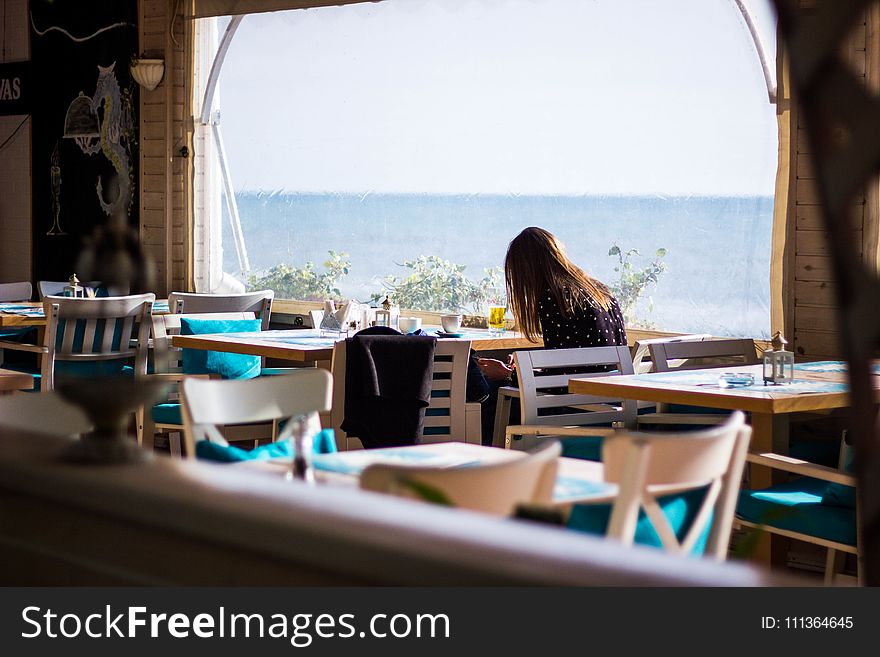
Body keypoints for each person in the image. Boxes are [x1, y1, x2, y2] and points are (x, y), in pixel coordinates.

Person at [474, 226, 627, 444]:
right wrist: (528, 370)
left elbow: (562, 379)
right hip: (610, 398)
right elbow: (574, 362)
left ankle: (492, 464)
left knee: (490, 395)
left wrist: (509, 376)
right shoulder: (600, 291)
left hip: (578, 404)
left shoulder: (555, 298)